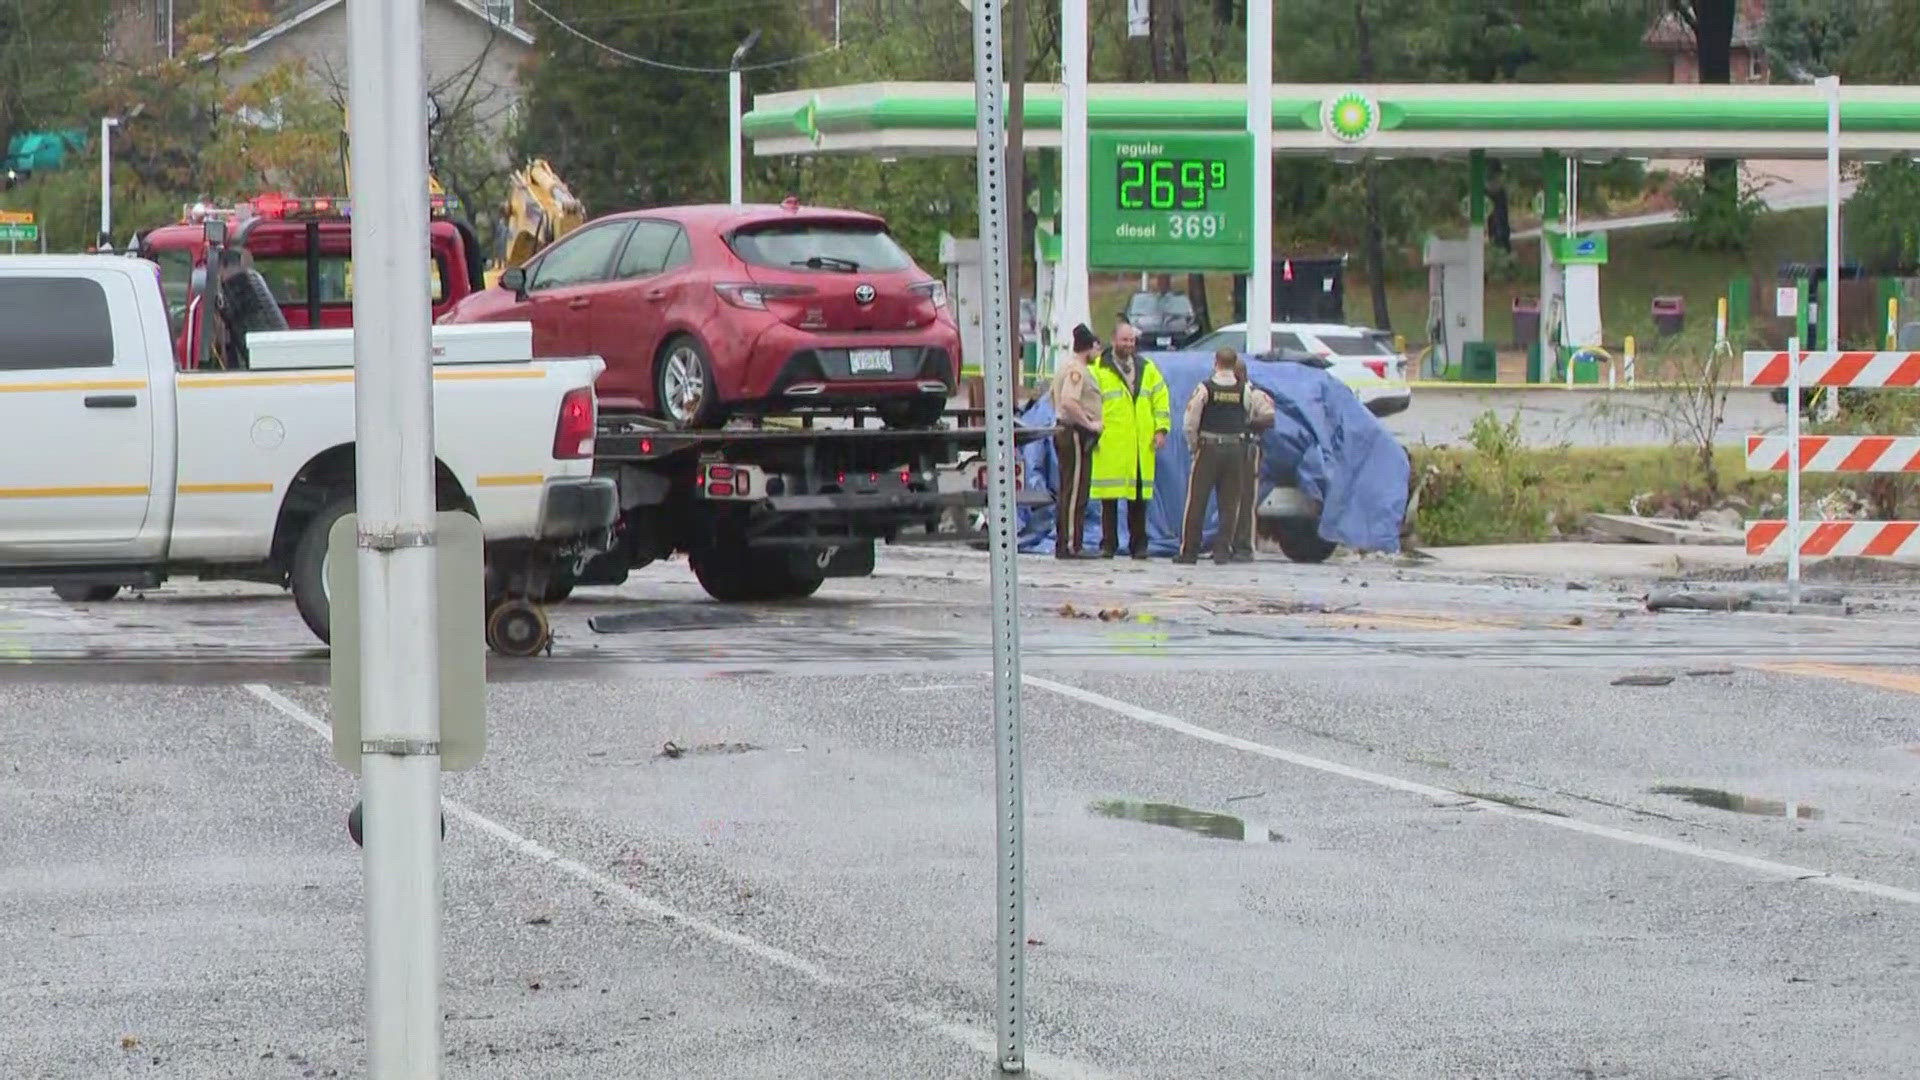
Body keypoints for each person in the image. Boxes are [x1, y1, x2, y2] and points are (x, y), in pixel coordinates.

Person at [1176, 347, 1275, 565]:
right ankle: (1223, 551)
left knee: (1197, 501)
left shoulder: (1205, 388)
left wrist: (1195, 446)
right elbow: (1248, 417)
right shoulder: (1246, 391)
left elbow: (1190, 423)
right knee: (1231, 504)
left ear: (1216, 362)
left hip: (1209, 447)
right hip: (1236, 450)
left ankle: (1189, 551)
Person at [1089, 322, 1172, 559]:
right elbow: (1090, 402)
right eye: (1125, 340)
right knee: (1109, 500)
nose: (1129, 345)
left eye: (1132, 341)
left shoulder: (1147, 369)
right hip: (1111, 443)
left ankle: (1139, 545)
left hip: (1140, 444)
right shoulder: (1098, 369)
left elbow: (1161, 398)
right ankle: (1108, 544)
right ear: (1114, 340)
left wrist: (1161, 429)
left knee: (1139, 499)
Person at [1049, 324, 1105, 559]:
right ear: (1090, 347)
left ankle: (1069, 541)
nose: (1098, 353)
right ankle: (1071, 544)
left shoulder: (1066, 366)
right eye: (1097, 348)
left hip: (1069, 431)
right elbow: (1069, 402)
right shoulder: (1077, 371)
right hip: (1074, 433)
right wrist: (1089, 423)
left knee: (1071, 488)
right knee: (1074, 492)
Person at [1228, 358, 1277, 562]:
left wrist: (1247, 422)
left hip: (1247, 449)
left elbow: (1269, 418)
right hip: (1225, 449)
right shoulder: (1223, 393)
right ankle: (1225, 542)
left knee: (1246, 498)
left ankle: (1244, 545)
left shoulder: (1254, 394)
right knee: (1226, 499)